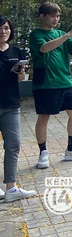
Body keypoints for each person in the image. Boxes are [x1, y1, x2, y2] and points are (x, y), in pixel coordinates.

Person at [29, 2, 72, 170]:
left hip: (65, 80)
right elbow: (44, 48)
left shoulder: (61, 34)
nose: (56, 19)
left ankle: (71, 149)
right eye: (53, 16)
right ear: (43, 16)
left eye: (58, 16)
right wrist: (68, 34)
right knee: (44, 117)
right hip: (46, 83)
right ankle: (43, 153)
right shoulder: (36, 34)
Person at [0, 16, 37, 202]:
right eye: (0, 28)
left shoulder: (17, 51)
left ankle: (11, 188)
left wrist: (20, 71)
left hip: (11, 104)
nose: (3, 31)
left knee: (13, 145)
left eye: (6, 28)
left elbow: (20, 80)